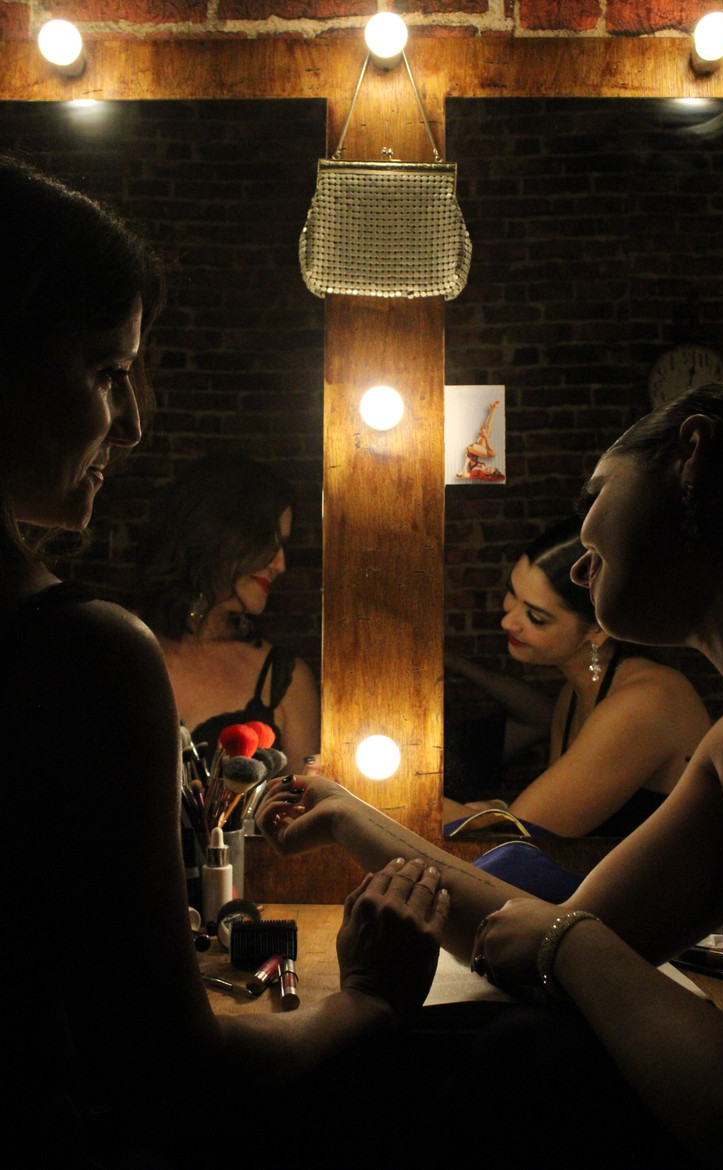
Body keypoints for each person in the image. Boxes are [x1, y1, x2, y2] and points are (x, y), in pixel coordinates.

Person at [0, 156, 449, 1168]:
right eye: (105, 372)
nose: (131, 420)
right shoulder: (84, 657)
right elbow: (169, 1079)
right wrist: (368, 999)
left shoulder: (149, 659)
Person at [258, 381, 723, 1165]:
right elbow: (527, 937)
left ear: (691, 455)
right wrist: (347, 815)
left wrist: (569, 942)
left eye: (595, 495)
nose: (579, 566)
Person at [443, 517, 711, 838]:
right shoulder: (572, 695)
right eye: (512, 593)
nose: (508, 622)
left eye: (535, 616)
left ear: (598, 628)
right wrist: (492, 813)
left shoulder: (648, 700)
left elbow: (523, 837)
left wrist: (409, 799)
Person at [135, 454, 320, 772]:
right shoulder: (121, 645)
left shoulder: (284, 680)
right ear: (218, 533)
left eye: (284, 546)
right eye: (269, 542)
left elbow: (299, 799)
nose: (280, 565)